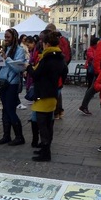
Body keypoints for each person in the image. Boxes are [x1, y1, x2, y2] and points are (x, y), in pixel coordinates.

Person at [26, 31, 68, 161]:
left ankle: (45, 153)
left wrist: (28, 67)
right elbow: (65, 72)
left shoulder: (47, 58)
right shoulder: (60, 57)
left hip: (42, 95)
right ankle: (45, 149)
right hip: (53, 94)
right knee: (49, 124)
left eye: (43, 44)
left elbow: (35, 74)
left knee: (42, 125)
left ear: (47, 44)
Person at [0, 28, 26, 146]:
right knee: (5, 110)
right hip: (3, 82)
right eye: (5, 37)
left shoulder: (20, 51)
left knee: (10, 110)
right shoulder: (5, 49)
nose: (6, 39)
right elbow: (0, 68)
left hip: (12, 84)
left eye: (8, 37)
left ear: (14, 37)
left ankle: (19, 137)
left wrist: (6, 58)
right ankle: (6, 136)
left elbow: (18, 68)